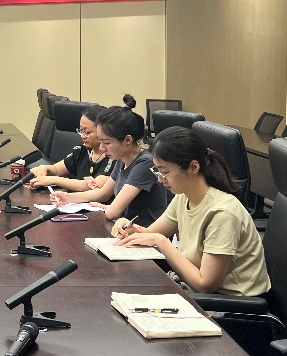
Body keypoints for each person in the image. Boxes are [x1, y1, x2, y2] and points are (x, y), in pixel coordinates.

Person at [111, 126, 270, 296]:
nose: (160, 179)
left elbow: (204, 285)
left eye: (165, 172)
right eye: (156, 170)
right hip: (196, 293)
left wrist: (162, 242)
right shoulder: (183, 196)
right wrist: (128, 227)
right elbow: (150, 234)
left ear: (194, 167)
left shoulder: (223, 213)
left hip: (231, 304)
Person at [51, 94, 168, 225]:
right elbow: (103, 194)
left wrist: (109, 208)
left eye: (106, 143)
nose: (102, 147)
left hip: (143, 233)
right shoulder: (122, 158)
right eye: (100, 142)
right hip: (124, 229)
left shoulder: (145, 163)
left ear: (127, 140)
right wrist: (68, 197)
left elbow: (113, 213)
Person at [26, 105, 116, 192]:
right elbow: (56, 169)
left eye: (88, 132)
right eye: (81, 130)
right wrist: (45, 169)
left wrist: (53, 180)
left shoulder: (113, 157)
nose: (82, 136)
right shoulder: (82, 150)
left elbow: (93, 186)